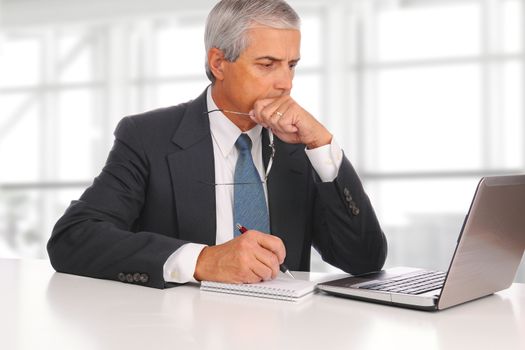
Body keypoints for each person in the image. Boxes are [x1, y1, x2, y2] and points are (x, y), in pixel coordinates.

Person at [47, 0, 387, 289]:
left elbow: (364, 260)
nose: (286, 83)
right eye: (267, 64)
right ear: (219, 63)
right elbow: (74, 238)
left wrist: (323, 147)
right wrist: (203, 260)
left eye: (292, 65)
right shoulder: (148, 136)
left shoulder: (298, 146)